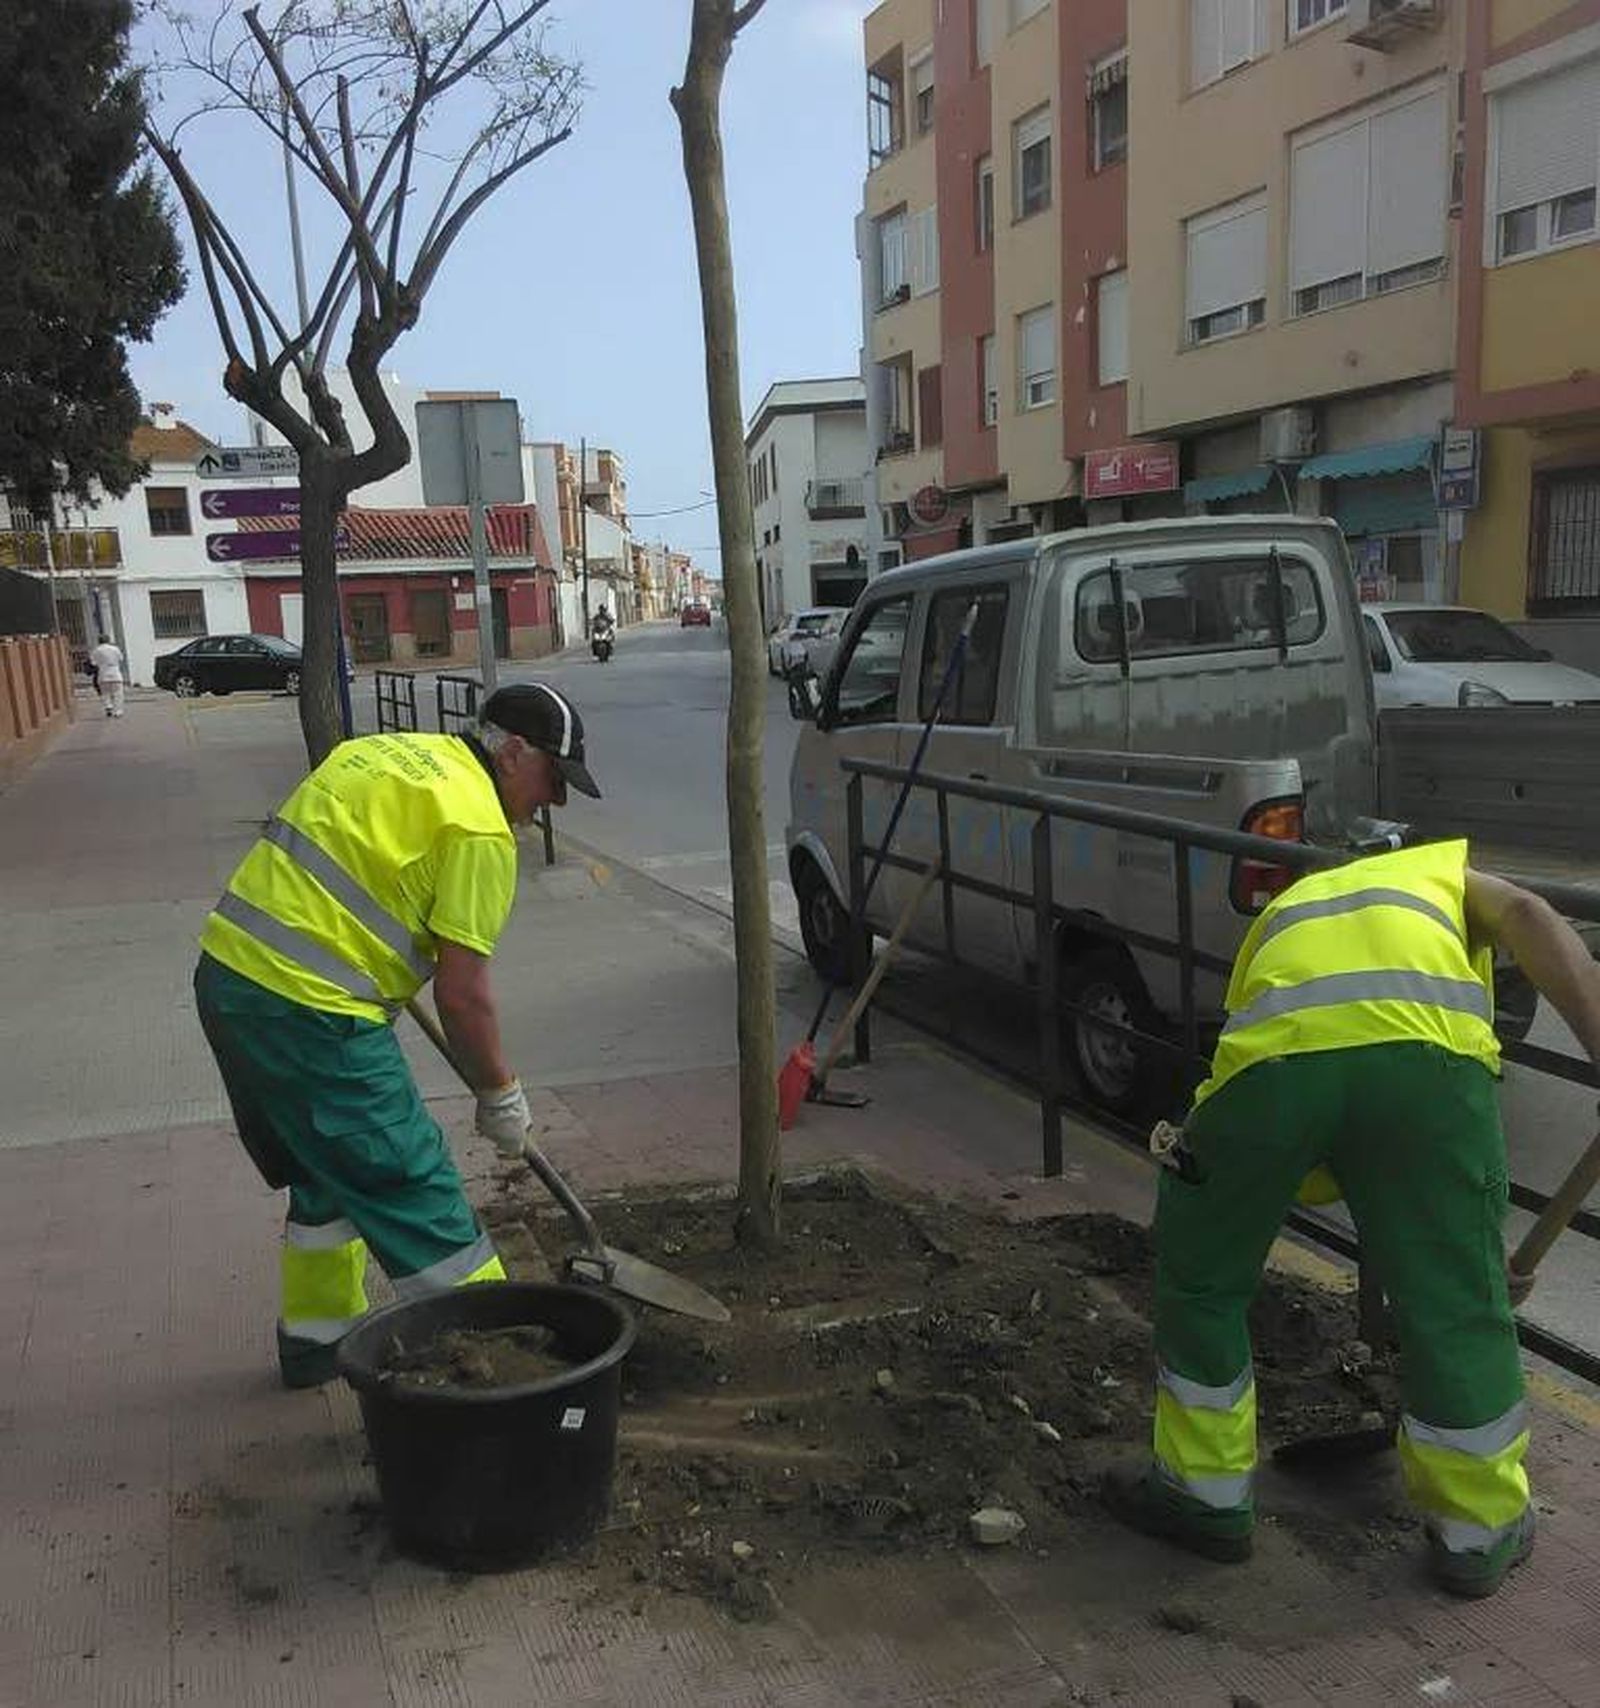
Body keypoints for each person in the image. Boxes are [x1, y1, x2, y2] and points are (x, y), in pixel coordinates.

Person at [1102, 838, 1600, 1599]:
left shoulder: (1286, 914)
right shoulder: (1437, 875)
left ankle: (1204, 1497)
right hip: (1426, 1069)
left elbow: (1304, 1137)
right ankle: (1478, 1533)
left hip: (1270, 1074)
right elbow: (1531, 913)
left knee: (1202, 1276)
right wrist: (1456, 1249)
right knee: (1459, 1308)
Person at [193, 682, 601, 1388]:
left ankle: (318, 1339)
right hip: (312, 1013)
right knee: (407, 1176)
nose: (553, 802)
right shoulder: (477, 830)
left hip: (229, 978)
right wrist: (500, 1094)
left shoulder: (383, 753)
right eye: (553, 780)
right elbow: (465, 996)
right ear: (511, 754)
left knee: (327, 1171)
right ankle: (505, 1370)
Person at [89, 634, 125, 718]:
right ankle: (118, 711)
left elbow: (93, 663)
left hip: (103, 674)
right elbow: (121, 659)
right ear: (108, 640)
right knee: (118, 693)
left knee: (105, 693)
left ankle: (108, 706)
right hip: (115, 673)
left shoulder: (96, 650)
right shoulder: (115, 649)